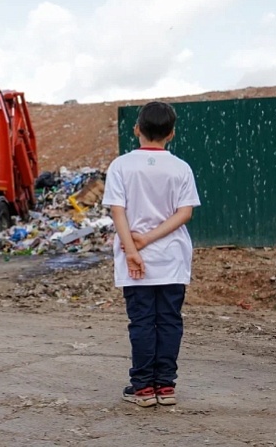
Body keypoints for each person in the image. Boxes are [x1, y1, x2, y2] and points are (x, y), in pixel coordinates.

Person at [101, 101, 201, 408]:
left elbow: (118, 212)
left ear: (137, 130)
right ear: (171, 133)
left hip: (135, 263)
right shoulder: (181, 168)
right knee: (169, 320)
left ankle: (143, 388)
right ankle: (165, 387)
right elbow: (184, 214)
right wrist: (148, 240)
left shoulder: (121, 166)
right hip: (172, 257)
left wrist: (133, 250)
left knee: (142, 321)